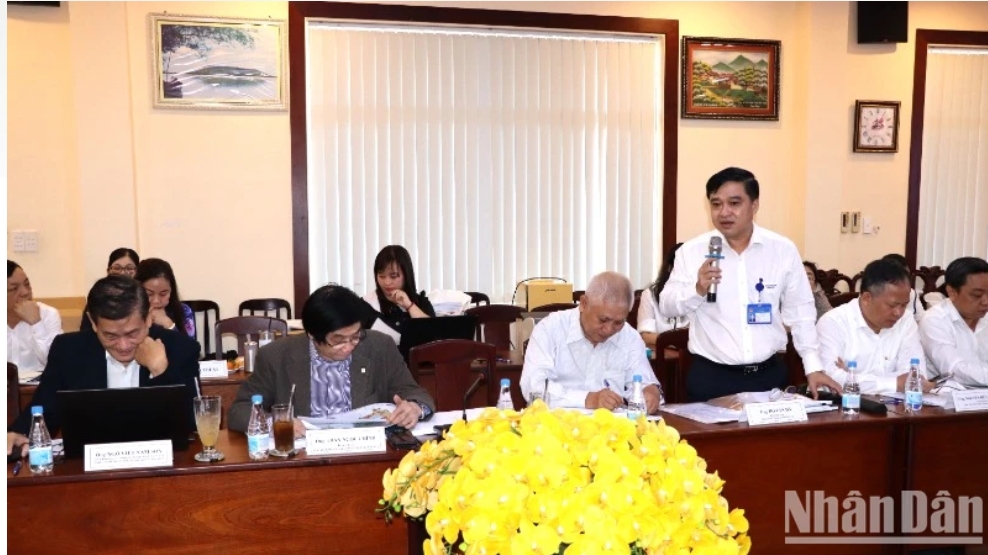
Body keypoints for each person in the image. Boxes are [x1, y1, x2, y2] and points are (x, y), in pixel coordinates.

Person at [659, 167, 841, 402]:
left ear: (754, 206)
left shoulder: (782, 250)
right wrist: (697, 290)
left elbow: (801, 312)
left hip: (768, 375)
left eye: (734, 203)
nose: (724, 212)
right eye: (716, 204)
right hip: (712, 377)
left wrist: (813, 367)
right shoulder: (691, 251)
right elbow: (666, 306)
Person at [7, 276, 201, 456]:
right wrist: (18, 433)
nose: (123, 346)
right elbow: (44, 408)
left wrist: (160, 370)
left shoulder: (180, 348)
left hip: (162, 467)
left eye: (132, 333)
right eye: (110, 336)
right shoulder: (69, 350)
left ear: (148, 317)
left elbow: (195, 423)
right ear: (93, 322)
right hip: (88, 468)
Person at [229, 285, 435, 433]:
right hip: (305, 457)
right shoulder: (276, 356)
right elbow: (240, 410)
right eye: (338, 340)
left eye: (355, 336)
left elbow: (414, 392)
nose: (348, 346)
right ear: (312, 335)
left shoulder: (379, 346)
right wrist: (276, 424)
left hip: (365, 453)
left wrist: (415, 407)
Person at [520, 271, 662, 413]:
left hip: (612, 424)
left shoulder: (629, 336)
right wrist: (588, 399)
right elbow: (533, 388)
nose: (608, 329)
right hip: (556, 423)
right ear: (584, 303)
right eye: (603, 320)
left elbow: (644, 382)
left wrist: (650, 392)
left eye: (618, 322)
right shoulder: (549, 329)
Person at [816, 259, 933, 395]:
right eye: (892, 305)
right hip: (844, 406)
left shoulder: (906, 320)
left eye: (904, 305)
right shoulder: (833, 322)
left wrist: (852, 377)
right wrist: (895, 383)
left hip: (896, 406)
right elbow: (830, 379)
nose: (898, 313)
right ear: (867, 298)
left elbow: (915, 376)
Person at [919, 256, 988, 389]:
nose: (985, 301)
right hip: (950, 398)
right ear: (952, 292)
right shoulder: (934, 320)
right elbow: (953, 370)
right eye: (977, 295)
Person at [362, 245, 436, 343]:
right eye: (382, 276)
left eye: (393, 276)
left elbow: (433, 335)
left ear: (406, 275)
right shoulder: (365, 305)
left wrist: (409, 306)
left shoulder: (421, 303)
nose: (387, 282)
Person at [7, 261, 63, 374]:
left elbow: (56, 363)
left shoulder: (48, 314)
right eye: (14, 289)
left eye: (27, 284)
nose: (25, 292)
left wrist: (36, 323)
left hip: (39, 384)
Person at [638, 243, 689, 346]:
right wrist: (674, 343)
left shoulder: (702, 296)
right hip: (661, 352)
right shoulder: (650, 295)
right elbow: (646, 336)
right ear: (669, 267)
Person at [79, 247, 140, 333]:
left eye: (129, 268)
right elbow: (85, 332)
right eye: (117, 268)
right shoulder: (98, 296)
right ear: (108, 271)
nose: (123, 273)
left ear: (138, 271)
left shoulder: (143, 296)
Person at [135, 258, 195, 338]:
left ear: (171, 291)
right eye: (149, 294)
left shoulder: (184, 311)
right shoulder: (129, 311)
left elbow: (190, 345)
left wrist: (169, 324)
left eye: (163, 294)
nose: (156, 301)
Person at [882, 253, 925, 322]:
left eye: (907, 275)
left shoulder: (911, 293)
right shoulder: (876, 293)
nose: (905, 279)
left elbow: (921, 319)